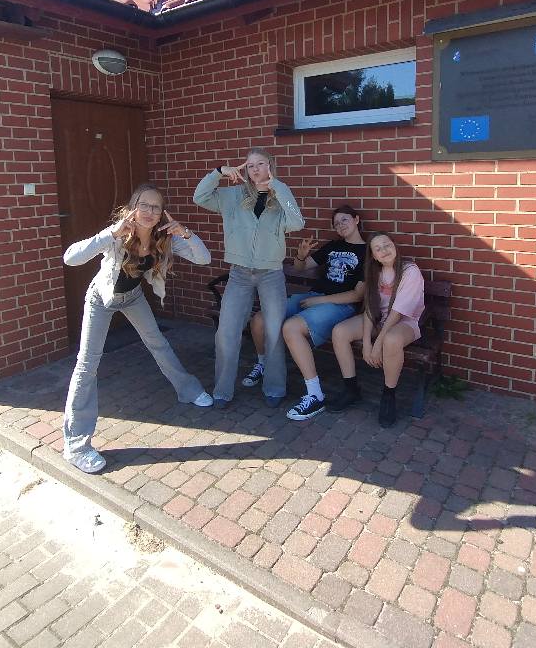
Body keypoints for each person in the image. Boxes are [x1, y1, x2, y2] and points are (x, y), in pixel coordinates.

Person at [61, 183, 213, 474]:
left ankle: (188, 390)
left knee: (158, 343)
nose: (150, 211)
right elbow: (70, 257)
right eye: (144, 205)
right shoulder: (118, 234)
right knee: (87, 364)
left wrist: (186, 233)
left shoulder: (163, 237)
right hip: (100, 299)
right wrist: (110, 233)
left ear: (162, 213)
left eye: (156, 207)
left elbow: (203, 258)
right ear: (133, 207)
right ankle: (76, 445)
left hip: (132, 297)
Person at [194, 148, 304, 408]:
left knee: (274, 331)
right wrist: (219, 172)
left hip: (271, 273)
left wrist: (278, 187)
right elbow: (200, 196)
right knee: (226, 331)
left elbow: (297, 223)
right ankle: (222, 390)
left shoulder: (280, 196)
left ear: (270, 166)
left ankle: (275, 387)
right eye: (250, 165)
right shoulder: (233, 195)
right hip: (239, 273)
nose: (255, 169)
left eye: (261, 164)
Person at [242, 205, 366, 421]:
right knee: (260, 319)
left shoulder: (367, 252)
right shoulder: (333, 246)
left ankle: (315, 394)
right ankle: (263, 364)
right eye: (336, 223)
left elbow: (357, 295)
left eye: (344, 220)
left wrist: (320, 300)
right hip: (313, 297)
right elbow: (301, 267)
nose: (340, 225)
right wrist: (300, 256)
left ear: (356, 219)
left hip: (339, 305)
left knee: (291, 328)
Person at [328, 233, 425, 428]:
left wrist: (377, 344)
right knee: (340, 332)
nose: (384, 250)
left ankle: (389, 395)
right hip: (380, 321)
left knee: (391, 340)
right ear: (373, 255)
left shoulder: (410, 271)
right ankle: (351, 389)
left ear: (394, 246)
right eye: (378, 248)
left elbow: (397, 312)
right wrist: (366, 343)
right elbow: (370, 309)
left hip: (404, 322)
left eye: (387, 245)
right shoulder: (374, 273)